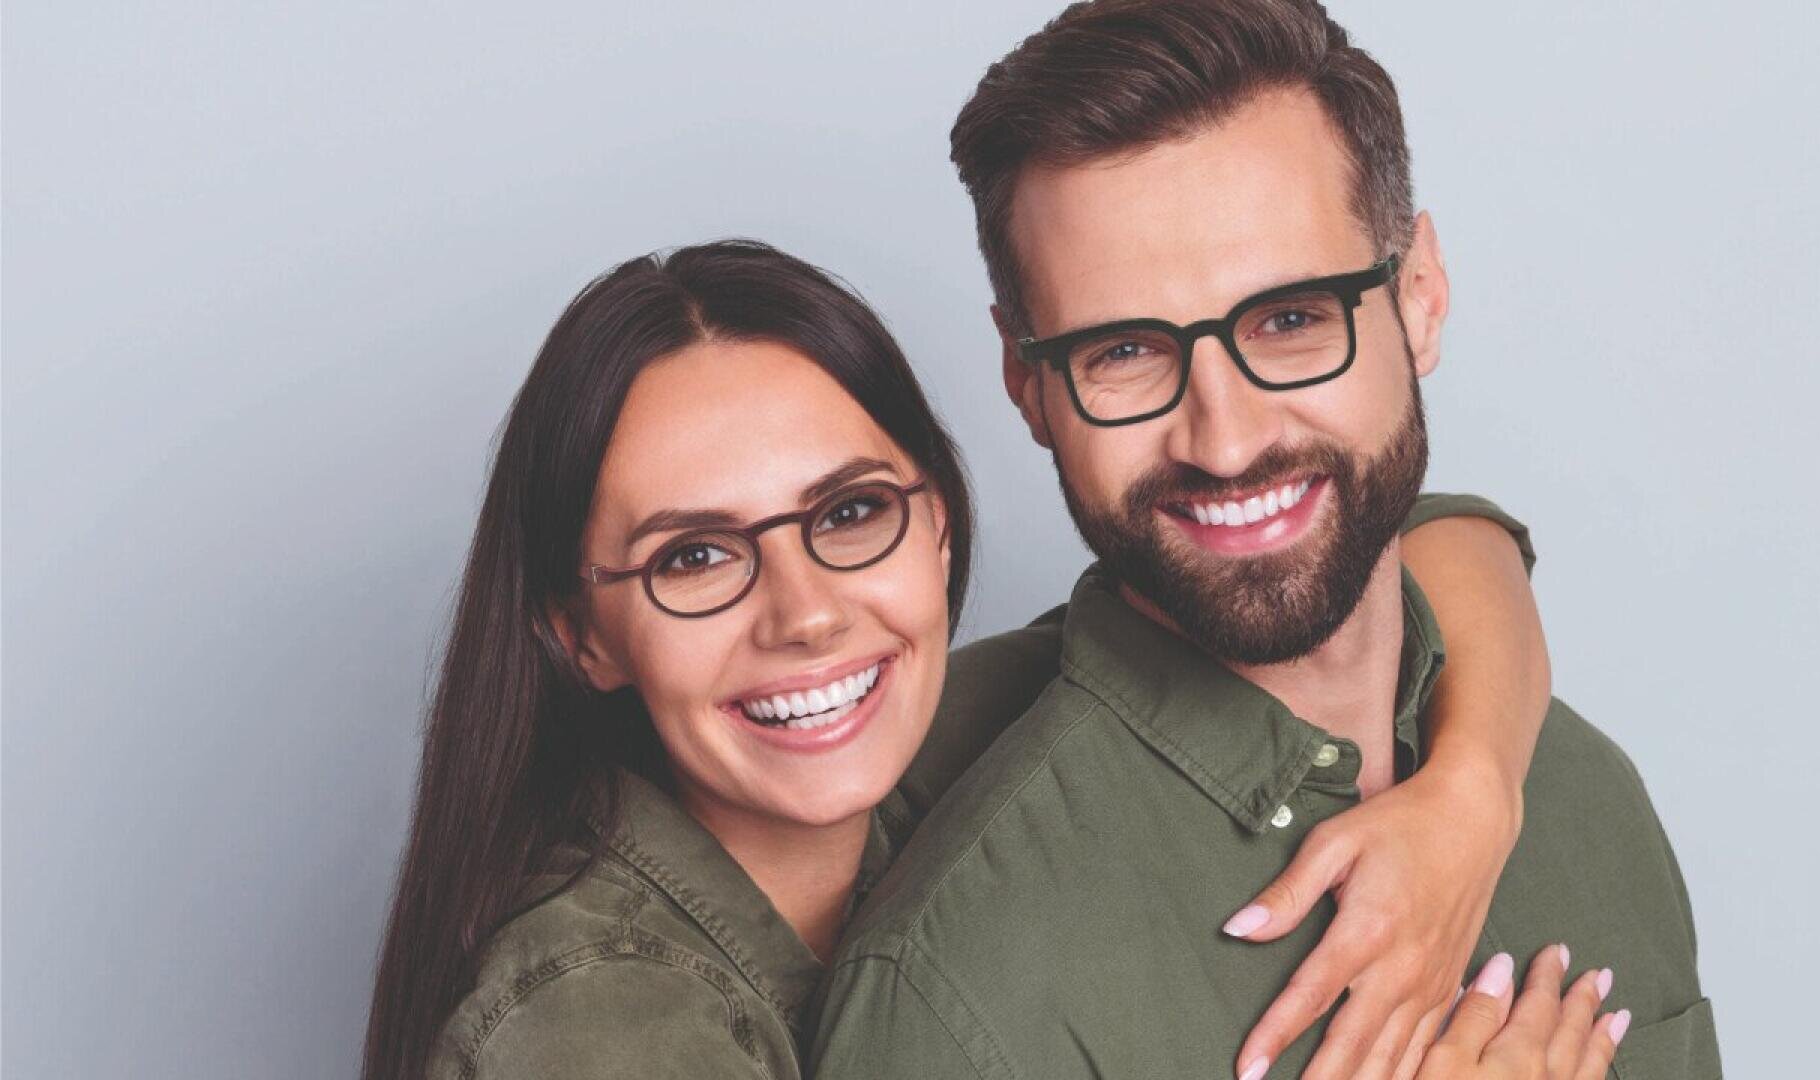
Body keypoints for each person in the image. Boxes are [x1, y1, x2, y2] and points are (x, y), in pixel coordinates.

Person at [360, 240, 1592, 1080]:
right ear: (579, 634)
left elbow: (1431, 542)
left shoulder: (975, 726)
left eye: (848, 514)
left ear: (937, 520)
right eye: (693, 558)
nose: (805, 615)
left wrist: (1470, 797)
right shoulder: (598, 1023)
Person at [810, 2, 1721, 1079]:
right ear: (1029, 383)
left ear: (1418, 295)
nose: (1228, 441)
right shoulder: (964, 989)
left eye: (1290, 319)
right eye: (1126, 351)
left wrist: (1482, 781)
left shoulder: (1578, 793)